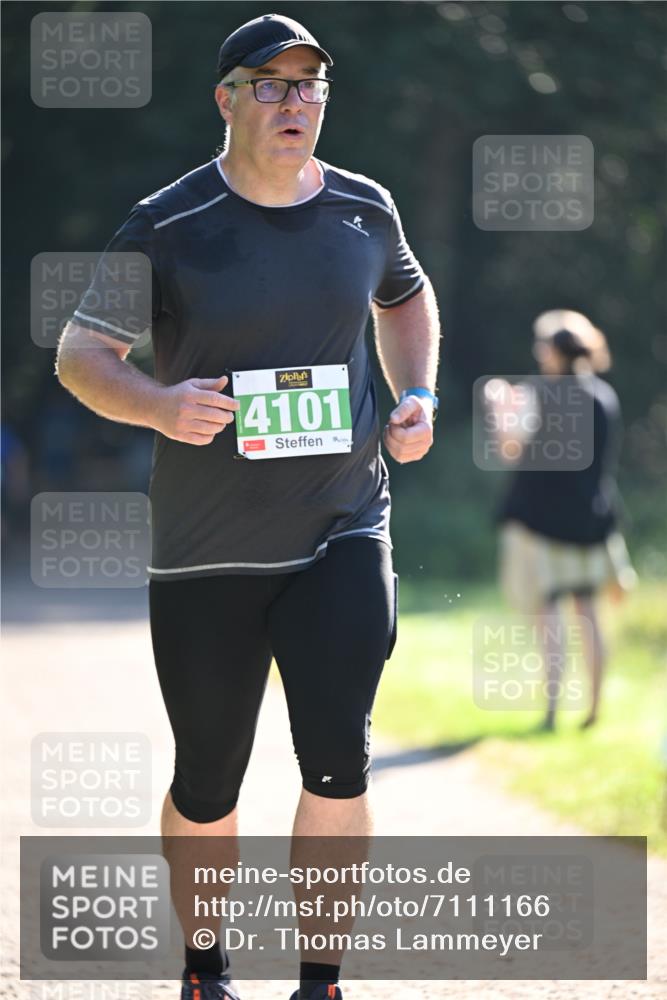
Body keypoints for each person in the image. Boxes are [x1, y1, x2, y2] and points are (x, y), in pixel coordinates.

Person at [56, 13, 440, 1000]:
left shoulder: (364, 209)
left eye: (310, 84)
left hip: (342, 524)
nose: (294, 102)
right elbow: (81, 354)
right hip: (206, 551)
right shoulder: (168, 223)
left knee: (337, 761)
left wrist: (417, 395)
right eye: (270, 84)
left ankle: (320, 981)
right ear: (225, 98)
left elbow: (406, 297)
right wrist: (158, 405)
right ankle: (204, 967)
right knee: (208, 777)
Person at [486, 309, 635, 732]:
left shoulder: (537, 394)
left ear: (553, 352)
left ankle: (551, 710)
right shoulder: (605, 396)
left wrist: (499, 407)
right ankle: (593, 709)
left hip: (539, 522)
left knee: (547, 613)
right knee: (588, 613)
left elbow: (509, 449)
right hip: (591, 520)